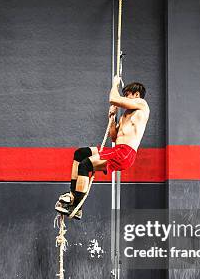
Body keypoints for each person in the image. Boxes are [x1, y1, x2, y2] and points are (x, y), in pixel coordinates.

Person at [55, 76, 150, 219]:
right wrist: (112, 118)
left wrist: (115, 84)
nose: (124, 98)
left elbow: (113, 98)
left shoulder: (142, 105)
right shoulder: (126, 115)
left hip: (125, 153)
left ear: (136, 94)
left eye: (127, 95)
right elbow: (114, 137)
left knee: (85, 165)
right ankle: (73, 196)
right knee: (80, 154)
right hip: (117, 150)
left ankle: (77, 207)